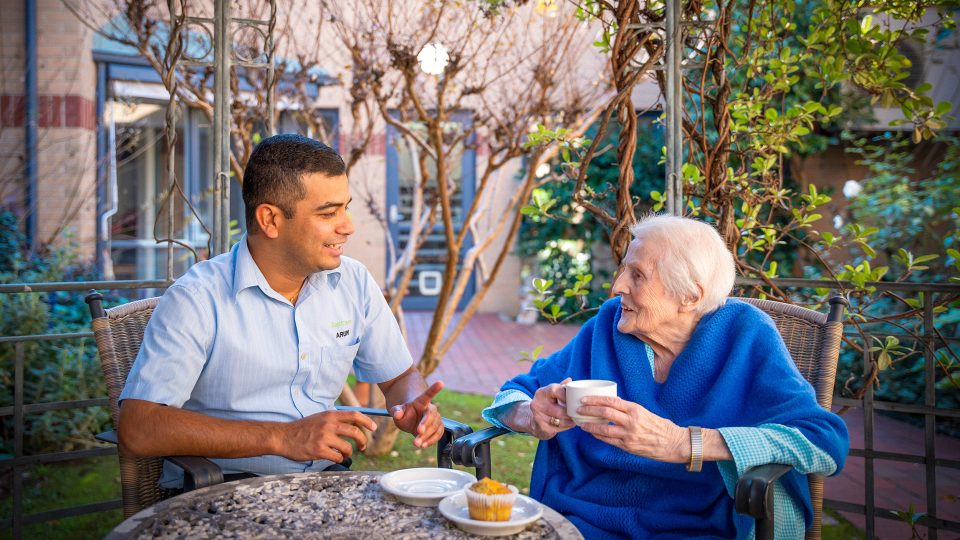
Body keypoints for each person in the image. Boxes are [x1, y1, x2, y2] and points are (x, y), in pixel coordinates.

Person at [482, 215, 849, 539]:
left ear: (689, 295)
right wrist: (533, 415)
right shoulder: (609, 326)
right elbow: (514, 394)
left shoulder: (745, 335)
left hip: (697, 527)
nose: (617, 287)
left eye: (637, 275)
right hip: (579, 521)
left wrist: (686, 443)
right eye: (623, 269)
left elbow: (823, 441)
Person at [118, 134, 445, 488]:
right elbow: (139, 427)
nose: (347, 226)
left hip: (323, 484)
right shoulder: (197, 299)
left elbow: (398, 377)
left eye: (345, 207)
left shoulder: (353, 282)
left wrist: (411, 402)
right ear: (270, 220)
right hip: (220, 492)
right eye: (328, 212)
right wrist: (283, 437)